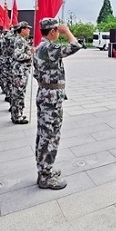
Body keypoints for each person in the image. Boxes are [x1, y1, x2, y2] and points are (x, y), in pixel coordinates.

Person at [33, 18, 81, 190]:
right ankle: (45, 176)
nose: (59, 33)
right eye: (57, 30)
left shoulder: (40, 47)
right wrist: (67, 31)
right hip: (51, 98)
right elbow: (75, 46)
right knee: (50, 136)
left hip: (45, 94)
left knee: (44, 134)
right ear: (53, 31)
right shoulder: (49, 47)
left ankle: (44, 169)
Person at [10, 21, 33, 124]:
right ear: (22, 29)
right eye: (27, 28)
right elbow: (18, 55)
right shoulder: (20, 40)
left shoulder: (21, 39)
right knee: (18, 93)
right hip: (20, 71)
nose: (29, 30)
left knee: (19, 93)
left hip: (21, 71)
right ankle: (16, 116)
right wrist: (30, 54)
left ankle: (18, 113)